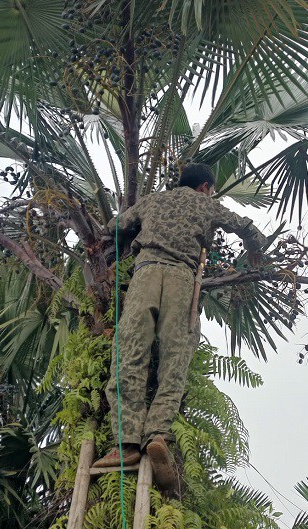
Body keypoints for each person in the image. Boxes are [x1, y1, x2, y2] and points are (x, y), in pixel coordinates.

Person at [93, 163, 266, 488]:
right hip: (182, 280)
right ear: (205, 187)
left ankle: (125, 444)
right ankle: (157, 434)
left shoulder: (152, 201)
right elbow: (246, 227)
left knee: (129, 354)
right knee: (174, 362)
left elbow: (113, 226)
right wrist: (258, 249)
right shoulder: (207, 204)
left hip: (144, 274)